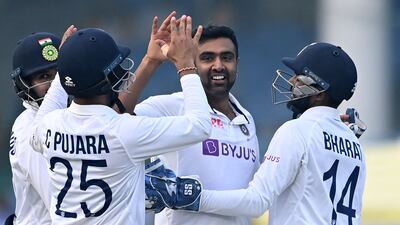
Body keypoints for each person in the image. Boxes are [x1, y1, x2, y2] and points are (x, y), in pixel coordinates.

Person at [30, 15, 212, 225]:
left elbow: (104, 119)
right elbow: (200, 126)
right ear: (108, 78)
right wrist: (186, 65)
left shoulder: (47, 126)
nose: (122, 71)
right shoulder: (125, 131)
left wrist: (69, 63)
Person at [179, 42, 366, 225]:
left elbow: (257, 201)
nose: (292, 81)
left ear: (319, 93)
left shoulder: (297, 130)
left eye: (300, 77)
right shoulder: (355, 145)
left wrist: (189, 197)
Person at [134, 25, 260, 225]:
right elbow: (115, 116)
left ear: (237, 63)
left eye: (226, 57)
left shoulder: (247, 120)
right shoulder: (173, 106)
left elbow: (252, 198)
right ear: (192, 62)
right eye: (207, 58)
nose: (218, 65)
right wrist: (150, 61)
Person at [8, 32, 61, 225]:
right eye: (44, 76)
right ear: (24, 84)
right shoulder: (28, 130)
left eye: (59, 73)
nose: (55, 85)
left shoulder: (61, 119)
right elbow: (60, 207)